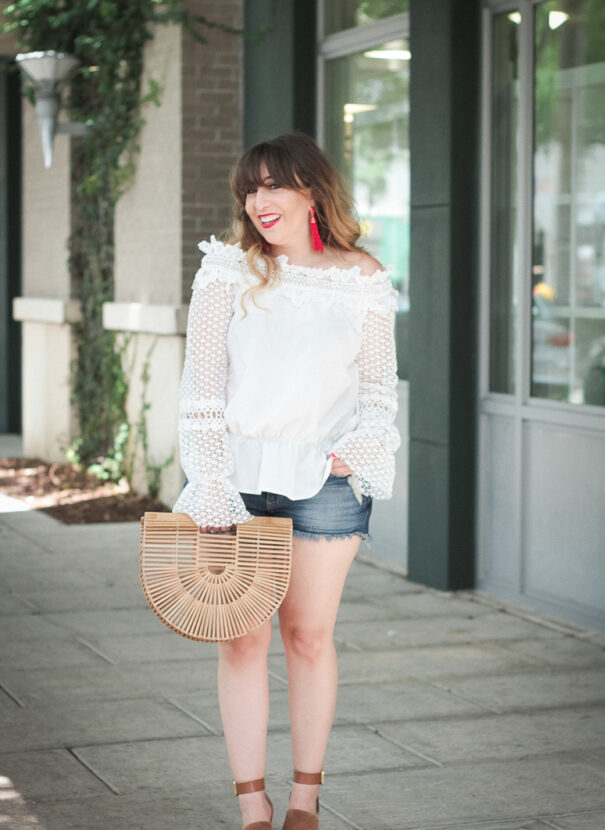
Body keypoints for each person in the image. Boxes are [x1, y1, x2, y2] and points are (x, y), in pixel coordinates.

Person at [172, 132, 400, 830]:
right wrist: (209, 482)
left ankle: (304, 798)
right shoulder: (226, 272)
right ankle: (252, 805)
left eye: (274, 184)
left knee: (307, 637)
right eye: (250, 187)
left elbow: (378, 392)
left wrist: (363, 442)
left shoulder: (361, 277)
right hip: (235, 480)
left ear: (311, 190)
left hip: (323, 482)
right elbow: (201, 391)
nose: (258, 199)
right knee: (241, 639)